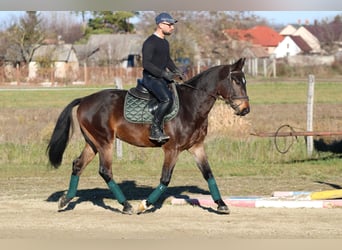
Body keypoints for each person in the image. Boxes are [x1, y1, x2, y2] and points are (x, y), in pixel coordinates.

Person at [141, 12, 182, 143]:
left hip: (161, 78)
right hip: (150, 78)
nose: (172, 27)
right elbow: (146, 64)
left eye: (172, 25)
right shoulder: (150, 42)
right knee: (167, 100)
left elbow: (167, 59)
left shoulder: (165, 43)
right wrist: (163, 74)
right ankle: (155, 129)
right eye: (169, 24)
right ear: (160, 25)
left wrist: (175, 70)